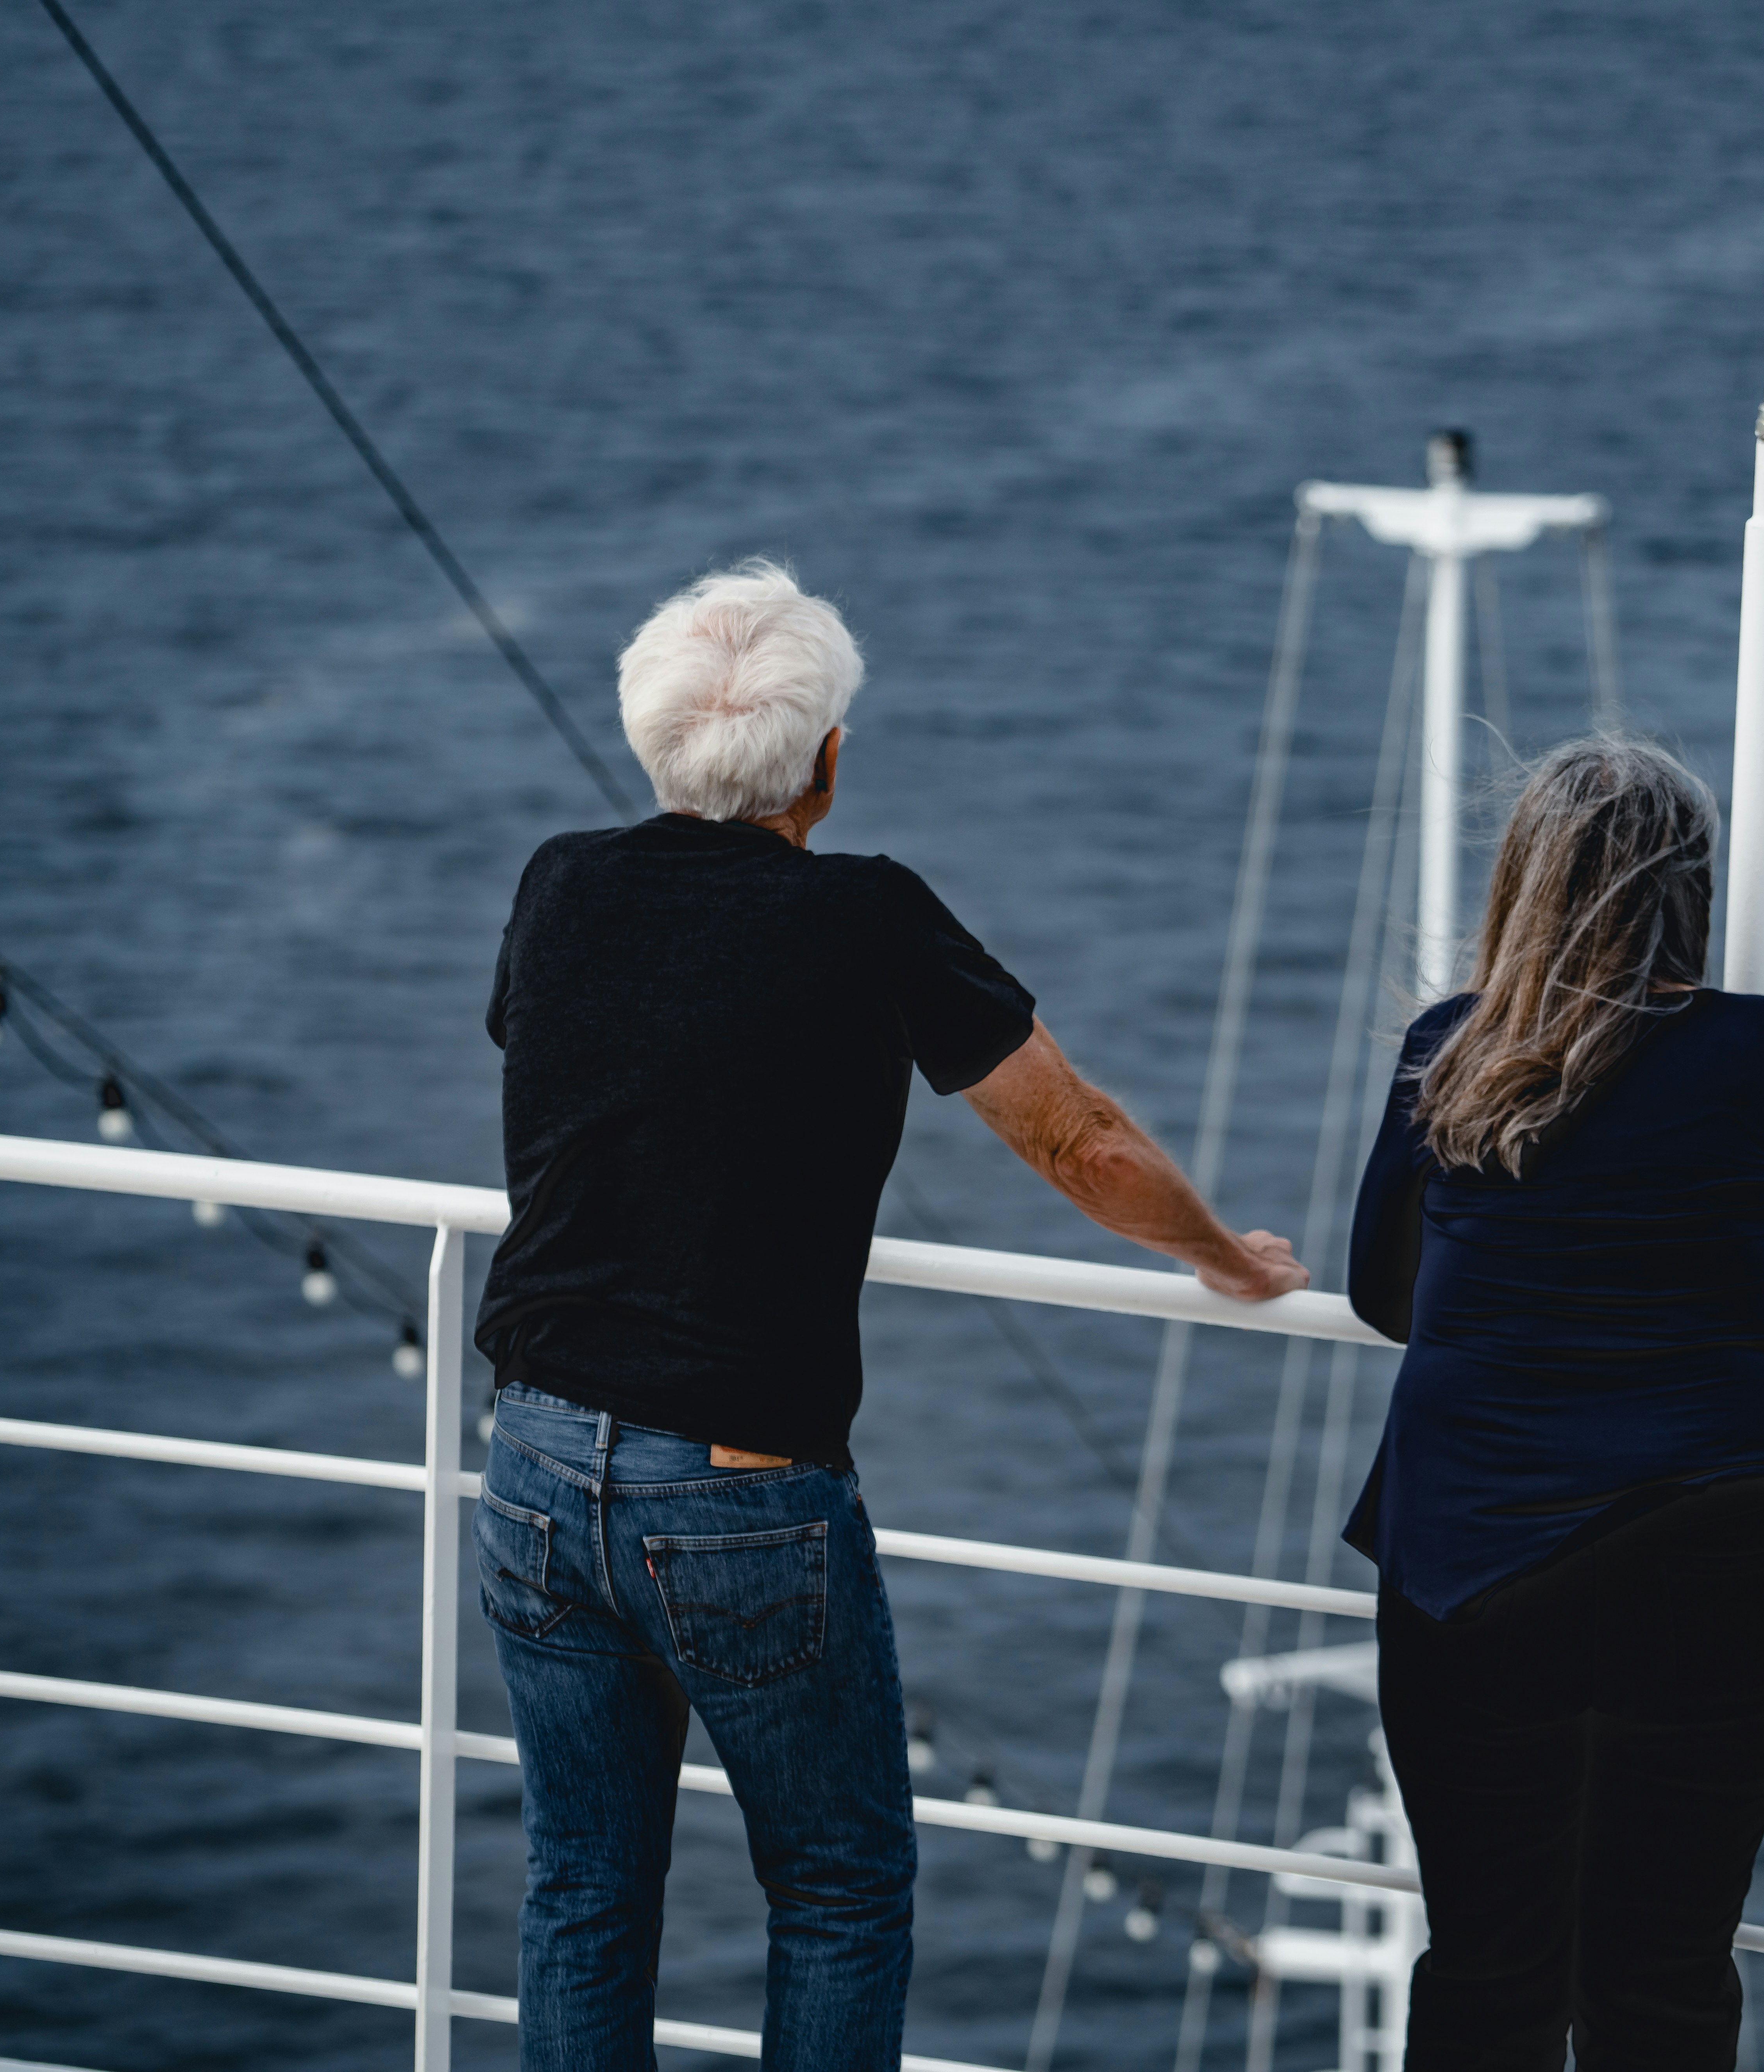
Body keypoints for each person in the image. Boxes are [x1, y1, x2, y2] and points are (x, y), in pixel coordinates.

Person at [471, 560, 1305, 2072]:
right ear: (827, 763)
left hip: (531, 1454)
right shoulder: (864, 917)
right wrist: (1225, 1260)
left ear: (651, 743)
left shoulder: (557, 880)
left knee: (584, 1885)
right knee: (841, 1888)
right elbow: (1081, 1142)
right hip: (734, 1482)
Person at [1343, 736, 1764, 2072]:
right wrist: (1725, 1320)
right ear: (1692, 893)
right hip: (1713, 1565)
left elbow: (1388, 1297)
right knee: (1661, 1984)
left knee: (1487, 1972)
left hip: (1469, 1580)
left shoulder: (1457, 1050)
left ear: (1522, 886)